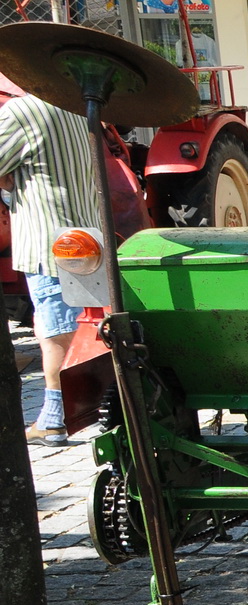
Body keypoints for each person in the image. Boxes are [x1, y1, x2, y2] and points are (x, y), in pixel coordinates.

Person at [0, 92, 101, 446]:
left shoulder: (21, 110)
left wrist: (8, 182)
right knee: (82, 326)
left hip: (47, 241)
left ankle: (56, 416)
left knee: (54, 330)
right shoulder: (79, 106)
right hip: (87, 235)